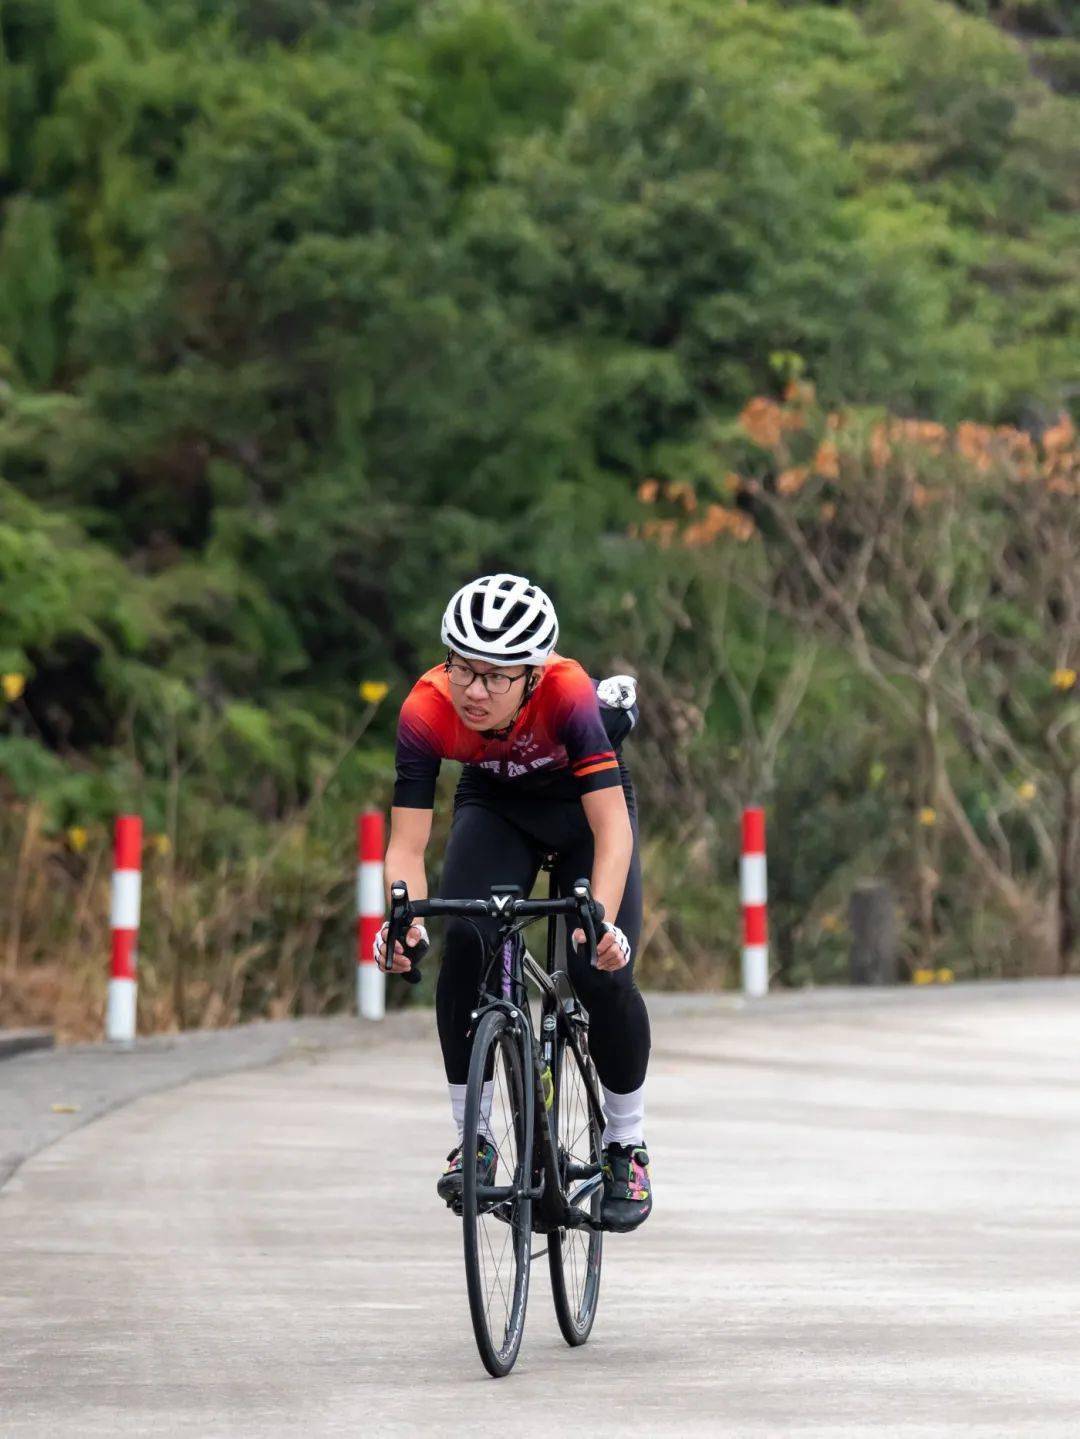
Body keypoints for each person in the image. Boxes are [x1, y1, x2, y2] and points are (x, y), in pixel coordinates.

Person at [374, 573, 652, 1231]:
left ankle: (625, 1144)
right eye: (464, 669)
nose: (475, 689)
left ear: (533, 673)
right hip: (497, 805)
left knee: (597, 969)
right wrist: (401, 919)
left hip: (583, 812)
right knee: (464, 942)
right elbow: (406, 847)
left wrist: (603, 922)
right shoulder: (425, 707)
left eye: (497, 676)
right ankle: (473, 1135)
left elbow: (612, 830)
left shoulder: (568, 694)